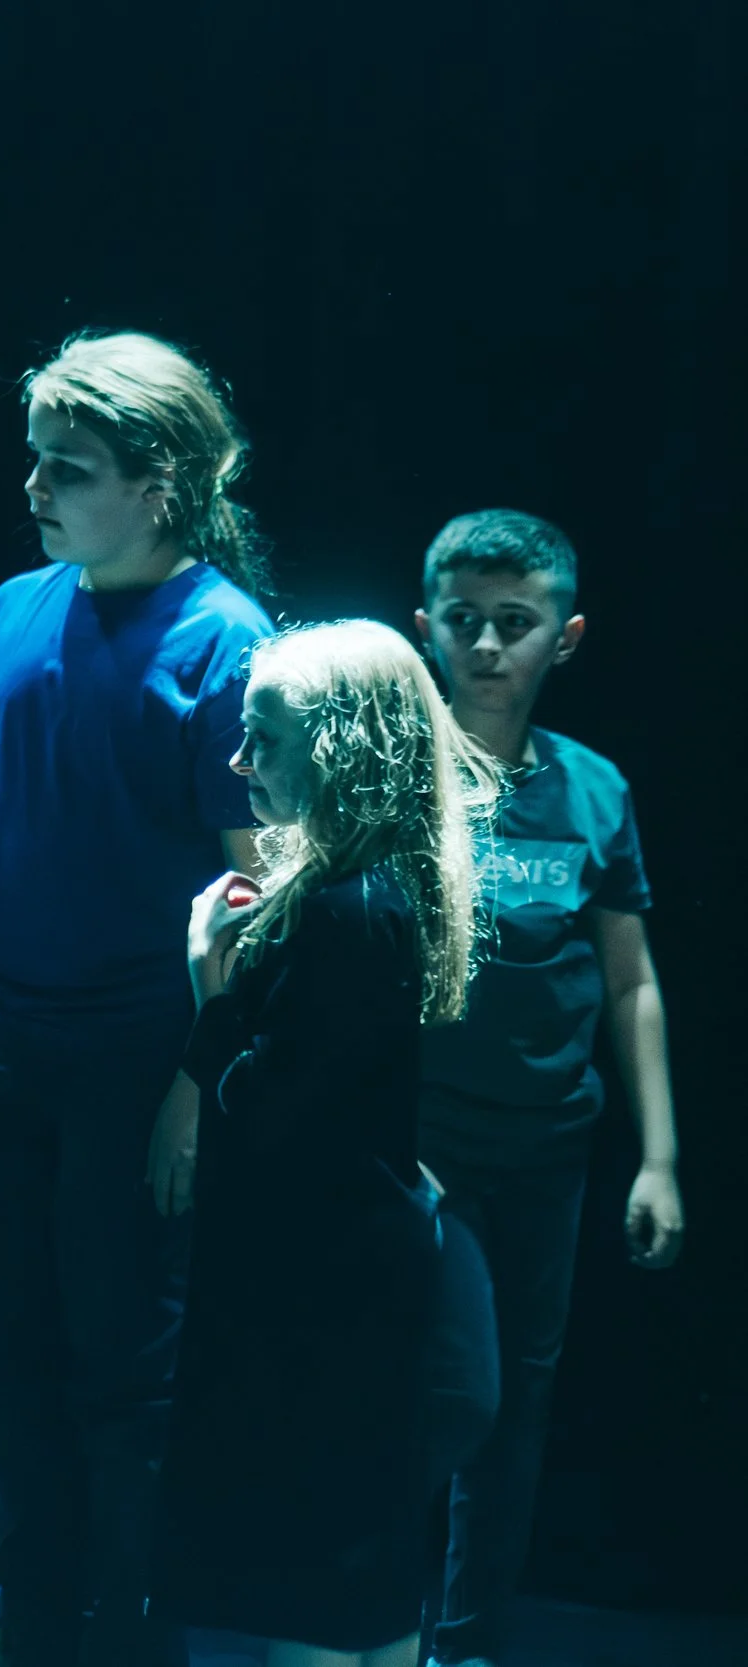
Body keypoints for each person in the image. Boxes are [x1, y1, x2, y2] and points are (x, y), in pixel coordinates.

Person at [0, 331, 276, 1667]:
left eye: (72, 466)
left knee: (122, 1362)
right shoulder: (12, 608)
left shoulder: (228, 641)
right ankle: (33, 1601)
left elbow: (258, 889)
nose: (39, 488)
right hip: (3, 1040)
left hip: (135, 1058)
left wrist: (192, 1082)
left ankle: (128, 1622)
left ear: (159, 482)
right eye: (36, 460)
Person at [153, 618, 494, 1667]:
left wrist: (209, 983)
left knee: (315, 1593)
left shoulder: (349, 911)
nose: (239, 760)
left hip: (326, 1304)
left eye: (264, 735)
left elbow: (271, 1125)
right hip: (353, 1288)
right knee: (359, 1589)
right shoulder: (371, 895)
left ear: (341, 746)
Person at [410, 511, 683, 1667]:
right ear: (421, 625)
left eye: (512, 624)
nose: (484, 646)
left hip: (546, 1151)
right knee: (425, 1388)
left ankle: (463, 1644)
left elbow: (629, 982)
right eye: (461, 620)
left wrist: (660, 1157)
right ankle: (371, 1622)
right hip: (416, 1146)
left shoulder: (593, 790)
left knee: (510, 1407)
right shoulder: (395, 777)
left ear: (560, 639)